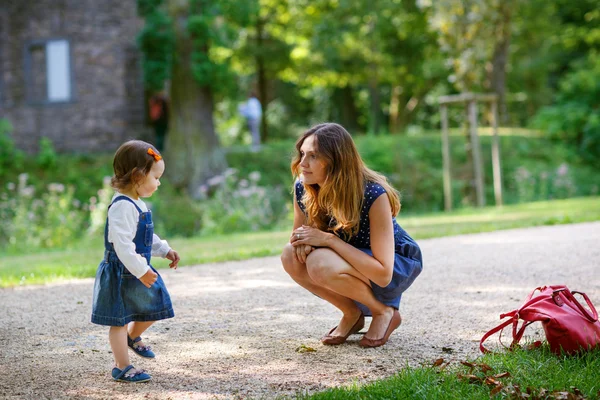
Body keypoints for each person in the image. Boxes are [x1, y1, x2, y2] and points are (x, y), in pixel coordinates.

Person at [281, 123, 423, 348]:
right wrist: (301, 243)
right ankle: (351, 313)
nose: (302, 163)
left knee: (319, 262)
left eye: (313, 156)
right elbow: (298, 238)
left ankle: (383, 312)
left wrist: (328, 240)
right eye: (302, 154)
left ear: (336, 161)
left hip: (395, 263)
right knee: (290, 255)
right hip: (348, 258)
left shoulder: (373, 194)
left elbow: (383, 274)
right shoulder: (304, 187)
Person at [91, 140, 180, 382]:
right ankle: (122, 366)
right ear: (138, 175)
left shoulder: (137, 203)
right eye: (156, 177)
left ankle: (133, 337)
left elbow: (147, 236)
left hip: (137, 269)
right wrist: (141, 270)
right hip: (122, 272)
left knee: (157, 304)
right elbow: (122, 246)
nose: (159, 182)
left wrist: (165, 250)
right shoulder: (121, 207)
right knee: (119, 319)